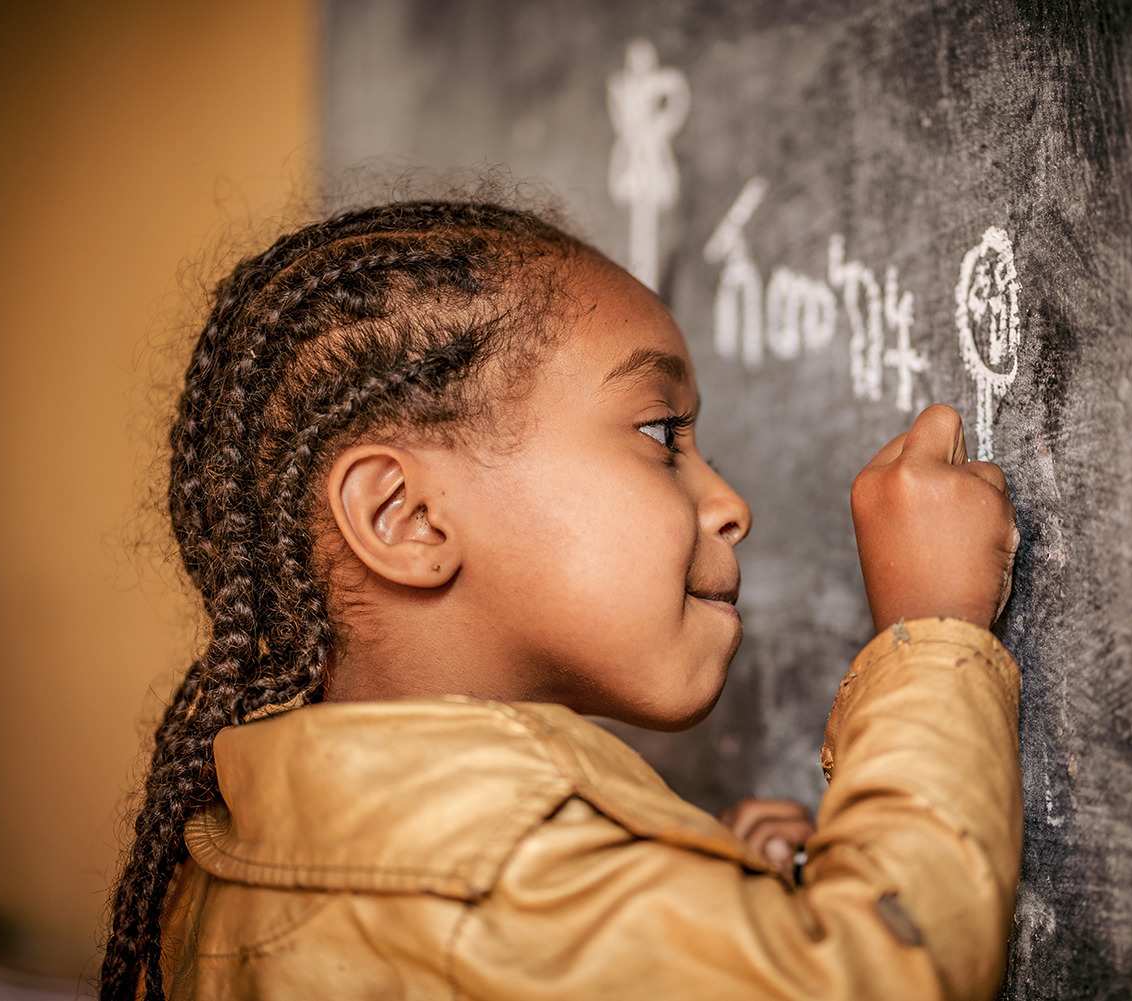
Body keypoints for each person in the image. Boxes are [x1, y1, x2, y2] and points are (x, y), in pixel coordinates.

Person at [98, 197, 1023, 1000]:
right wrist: (929, 634)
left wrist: (714, 913)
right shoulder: (501, 883)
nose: (730, 504)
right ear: (405, 516)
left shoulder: (245, 857)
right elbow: (889, 979)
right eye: (663, 435)